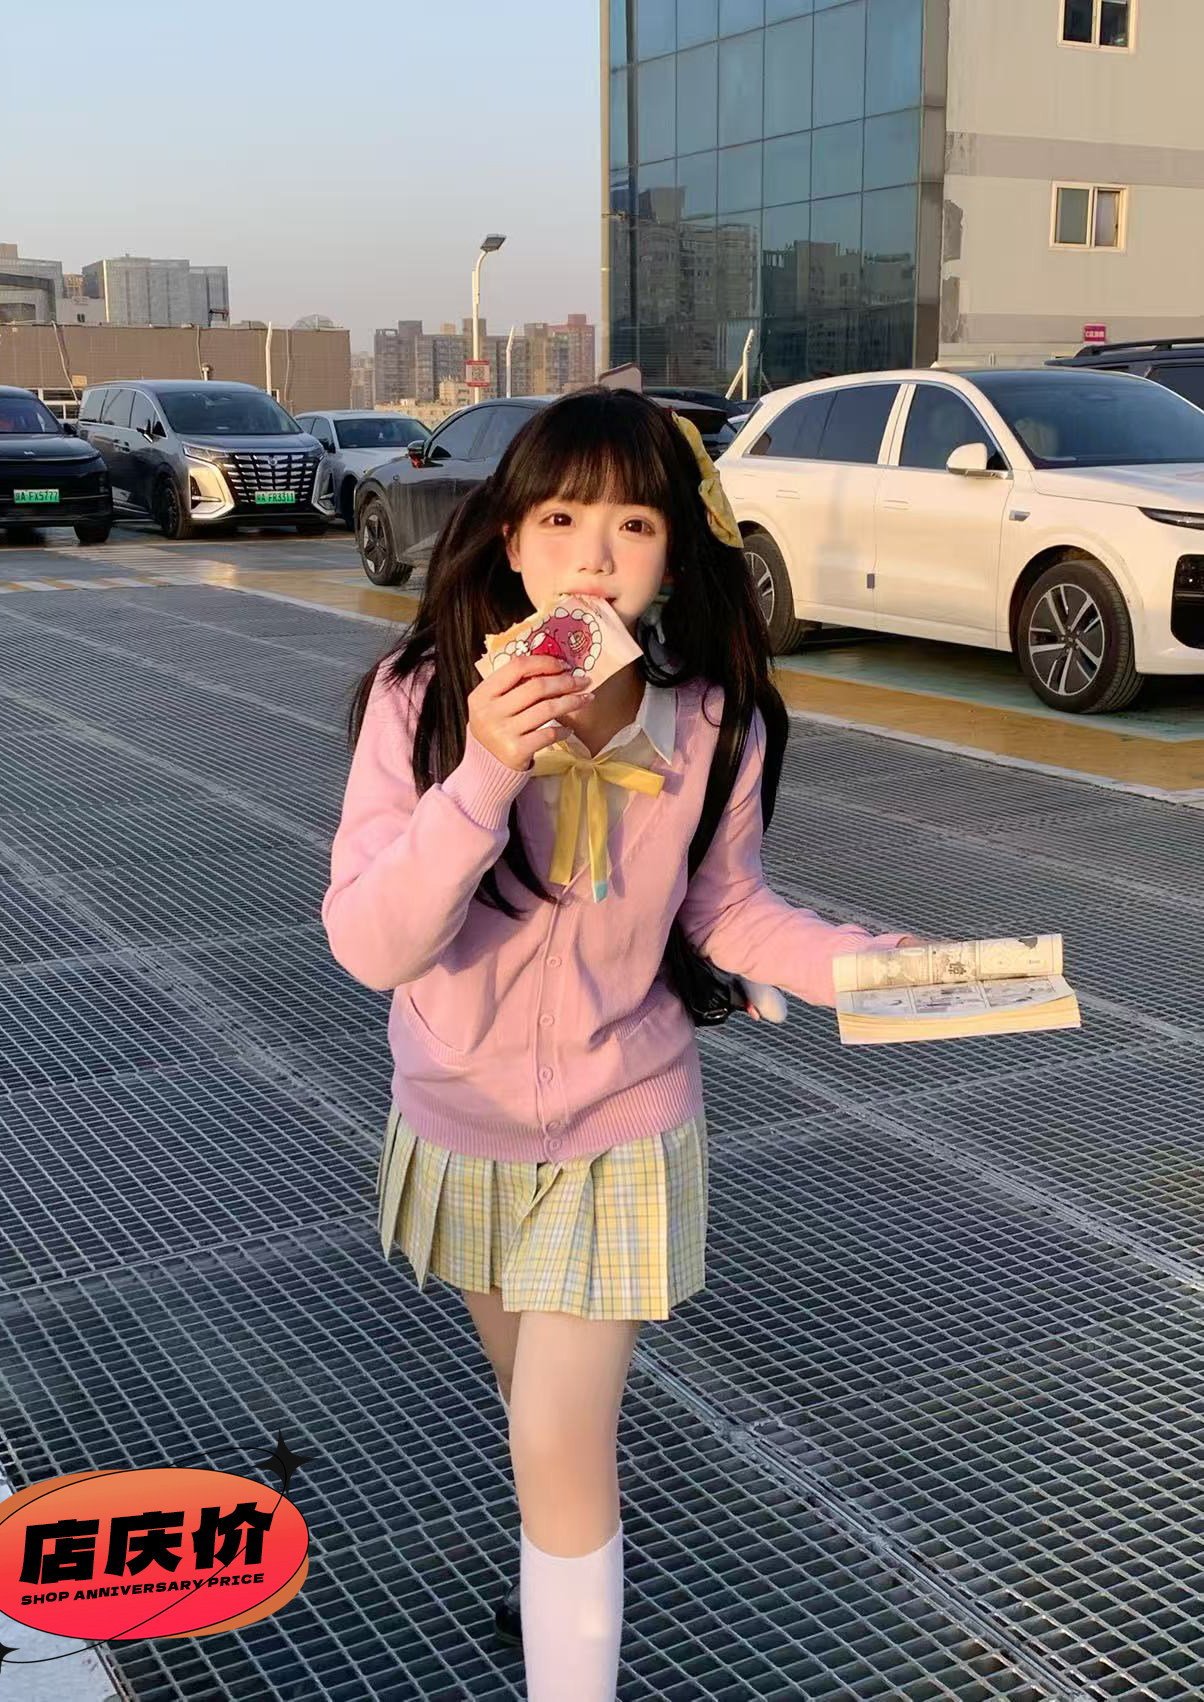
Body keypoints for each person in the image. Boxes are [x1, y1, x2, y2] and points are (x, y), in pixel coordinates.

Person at [321, 387, 922, 1701]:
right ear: (511, 541)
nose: (594, 555)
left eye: (634, 524)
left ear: (674, 556)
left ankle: (566, 1629)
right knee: (534, 1412)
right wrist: (489, 767)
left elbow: (727, 908)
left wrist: (879, 968)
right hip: (461, 1115)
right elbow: (371, 944)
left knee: (556, 1431)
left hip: (622, 1122)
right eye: (562, 518)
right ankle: (556, 1568)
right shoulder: (422, 702)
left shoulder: (711, 722)